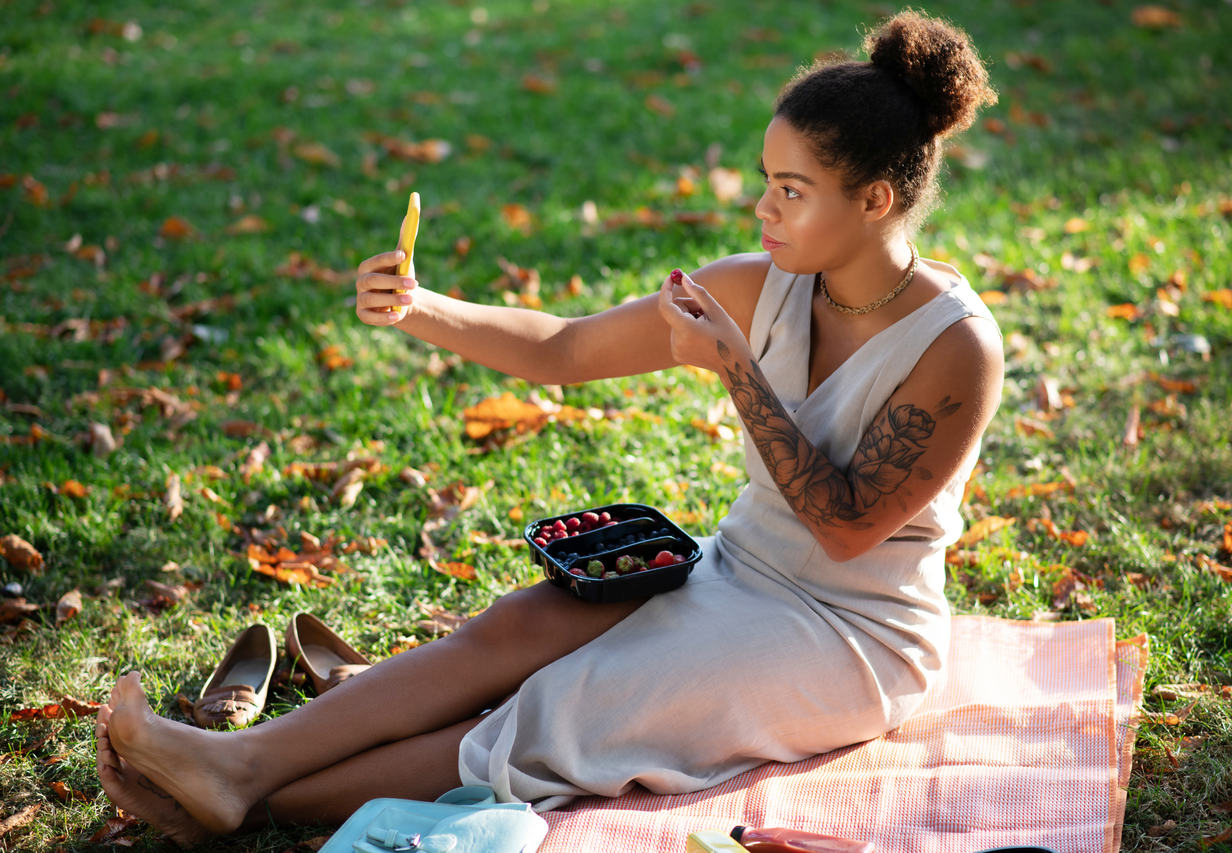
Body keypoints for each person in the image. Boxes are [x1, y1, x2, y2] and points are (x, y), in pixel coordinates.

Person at [96, 10, 1002, 846]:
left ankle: (237, 790)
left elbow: (846, 530)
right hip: (740, 566)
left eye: (791, 191)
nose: (763, 208)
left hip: (851, 635)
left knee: (566, 706)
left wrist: (734, 368)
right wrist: (420, 307)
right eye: (767, 182)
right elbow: (565, 349)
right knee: (516, 630)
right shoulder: (757, 285)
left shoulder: (955, 347)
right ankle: (233, 769)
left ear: (875, 200)